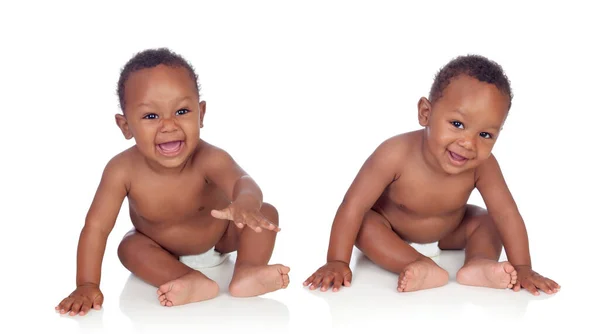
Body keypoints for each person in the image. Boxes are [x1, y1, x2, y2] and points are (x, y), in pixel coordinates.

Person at [56, 48, 290, 316]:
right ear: (125, 126)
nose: (168, 125)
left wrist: (246, 202)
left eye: (181, 111)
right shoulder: (121, 170)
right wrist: (86, 284)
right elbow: (96, 228)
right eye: (151, 116)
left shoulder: (210, 158)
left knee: (266, 214)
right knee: (129, 247)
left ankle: (248, 271)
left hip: (221, 238)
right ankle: (187, 278)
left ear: (201, 114)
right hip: (161, 250)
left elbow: (243, 181)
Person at [303, 55, 560, 296]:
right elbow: (353, 206)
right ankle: (418, 263)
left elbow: (507, 214)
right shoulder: (394, 154)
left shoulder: (484, 166)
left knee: (489, 220)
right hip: (391, 232)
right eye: (457, 124)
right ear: (426, 113)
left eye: (485, 135)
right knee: (364, 224)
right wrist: (336, 261)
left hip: (448, 233)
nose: (468, 143)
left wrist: (523, 266)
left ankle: (479, 263)